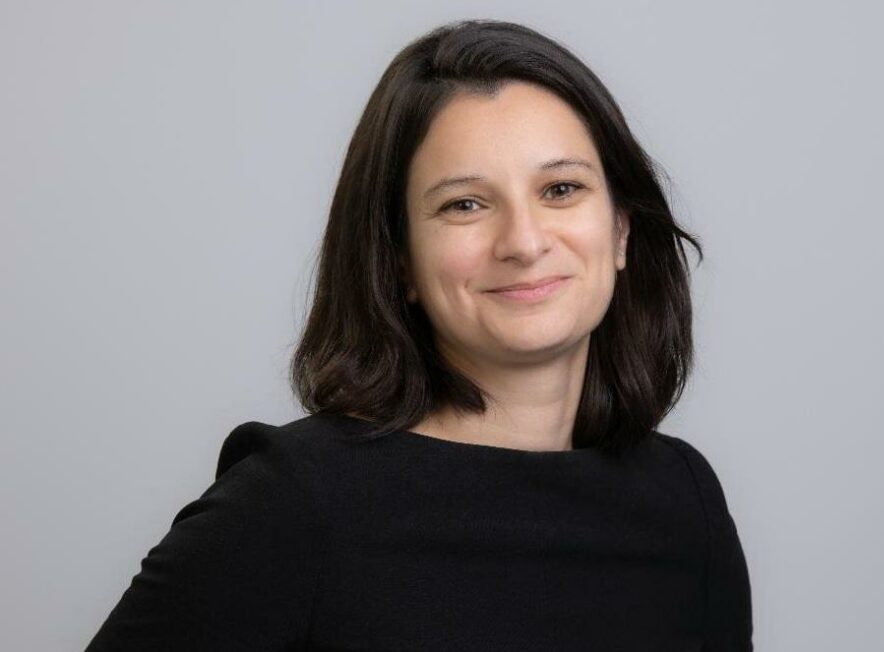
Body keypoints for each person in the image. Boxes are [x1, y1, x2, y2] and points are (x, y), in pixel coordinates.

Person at [86, 18, 753, 651]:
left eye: (560, 189)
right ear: (400, 259)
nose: (524, 242)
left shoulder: (683, 502)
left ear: (621, 229)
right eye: (465, 204)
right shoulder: (297, 502)